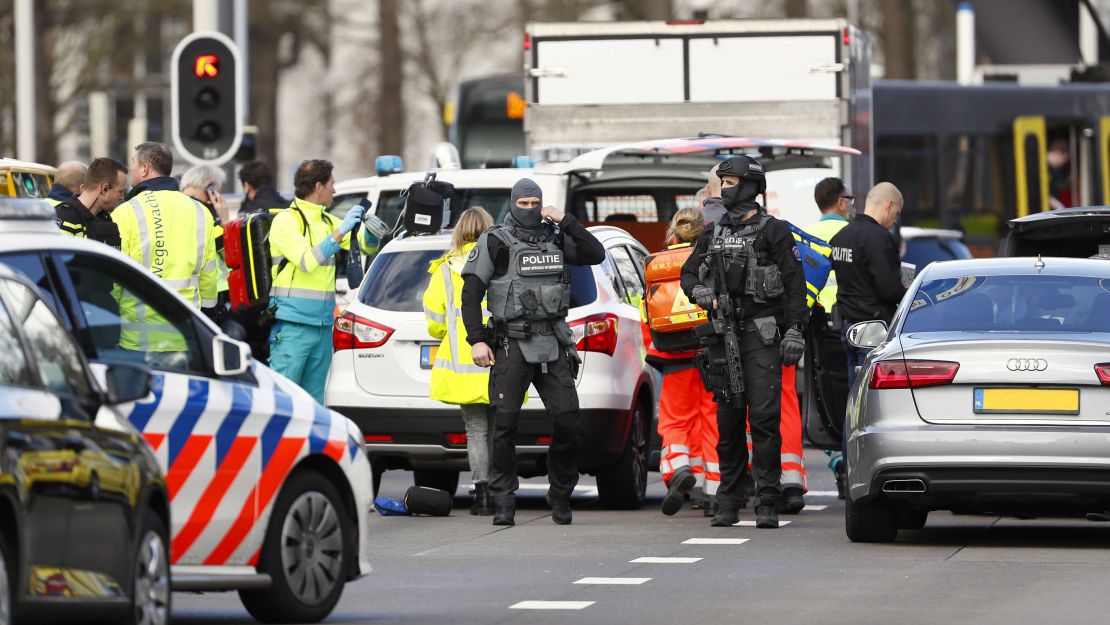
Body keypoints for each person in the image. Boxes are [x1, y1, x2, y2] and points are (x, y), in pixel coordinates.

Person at [461, 178, 605, 526]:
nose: (529, 210)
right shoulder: (495, 240)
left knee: (568, 418)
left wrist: (566, 220)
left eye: (534, 204)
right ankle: (503, 500)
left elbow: (595, 253)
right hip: (511, 342)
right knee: (505, 424)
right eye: (523, 204)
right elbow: (470, 293)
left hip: (553, 341)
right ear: (513, 203)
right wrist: (477, 339)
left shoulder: (554, 236)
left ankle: (560, 494)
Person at [680, 155, 807, 529]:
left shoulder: (775, 231)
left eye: (731, 181)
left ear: (751, 186)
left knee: (765, 419)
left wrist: (795, 330)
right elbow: (689, 272)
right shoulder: (713, 231)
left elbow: (795, 286)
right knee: (728, 418)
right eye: (723, 181)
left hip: (761, 333)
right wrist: (700, 291)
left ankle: (767, 498)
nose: (725, 188)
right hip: (722, 334)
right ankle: (730, 499)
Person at [268, 159, 368, 403]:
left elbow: (366, 245)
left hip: (322, 326)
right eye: (332, 184)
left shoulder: (327, 221)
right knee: (284, 399)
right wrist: (341, 231)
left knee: (314, 402)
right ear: (319, 186)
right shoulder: (286, 221)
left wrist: (373, 231)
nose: (335, 189)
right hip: (293, 326)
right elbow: (306, 261)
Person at [645, 206, 721, 517]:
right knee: (711, 421)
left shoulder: (655, 263)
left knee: (676, 420)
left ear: (673, 233)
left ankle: (677, 468)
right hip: (709, 353)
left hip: (672, 355)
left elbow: (646, 314)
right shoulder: (712, 258)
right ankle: (713, 490)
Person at [424, 207, 497, 515]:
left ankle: (482, 495)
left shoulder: (445, 269)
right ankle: (498, 490)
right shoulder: (499, 263)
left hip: (462, 364)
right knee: (497, 429)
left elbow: (436, 322)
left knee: (476, 429)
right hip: (499, 358)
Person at [113, 142, 218, 313]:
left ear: (145, 169)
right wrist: (207, 316)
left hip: (138, 329)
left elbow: (115, 274)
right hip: (186, 324)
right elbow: (208, 272)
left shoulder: (125, 212)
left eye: (133, 162)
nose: (130, 168)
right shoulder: (200, 211)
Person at [829, 182, 906, 393]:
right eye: (897, 213)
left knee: (854, 398)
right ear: (889, 205)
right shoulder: (880, 239)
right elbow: (889, 289)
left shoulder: (840, 237)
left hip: (847, 328)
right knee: (869, 402)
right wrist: (909, 292)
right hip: (873, 330)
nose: (895, 220)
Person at [803, 176, 854, 499]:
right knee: (851, 392)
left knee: (820, 393)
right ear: (840, 202)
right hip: (850, 322)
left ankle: (835, 458)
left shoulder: (807, 236)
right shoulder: (851, 234)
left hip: (815, 325)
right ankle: (849, 457)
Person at [181, 164, 231, 313]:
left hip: (187, 291)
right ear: (211, 189)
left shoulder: (181, 206)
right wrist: (225, 221)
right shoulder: (203, 213)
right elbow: (228, 250)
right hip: (207, 295)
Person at [54, 157, 126, 247]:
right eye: (120, 191)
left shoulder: (106, 220)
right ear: (105, 188)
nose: (122, 197)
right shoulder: (65, 218)